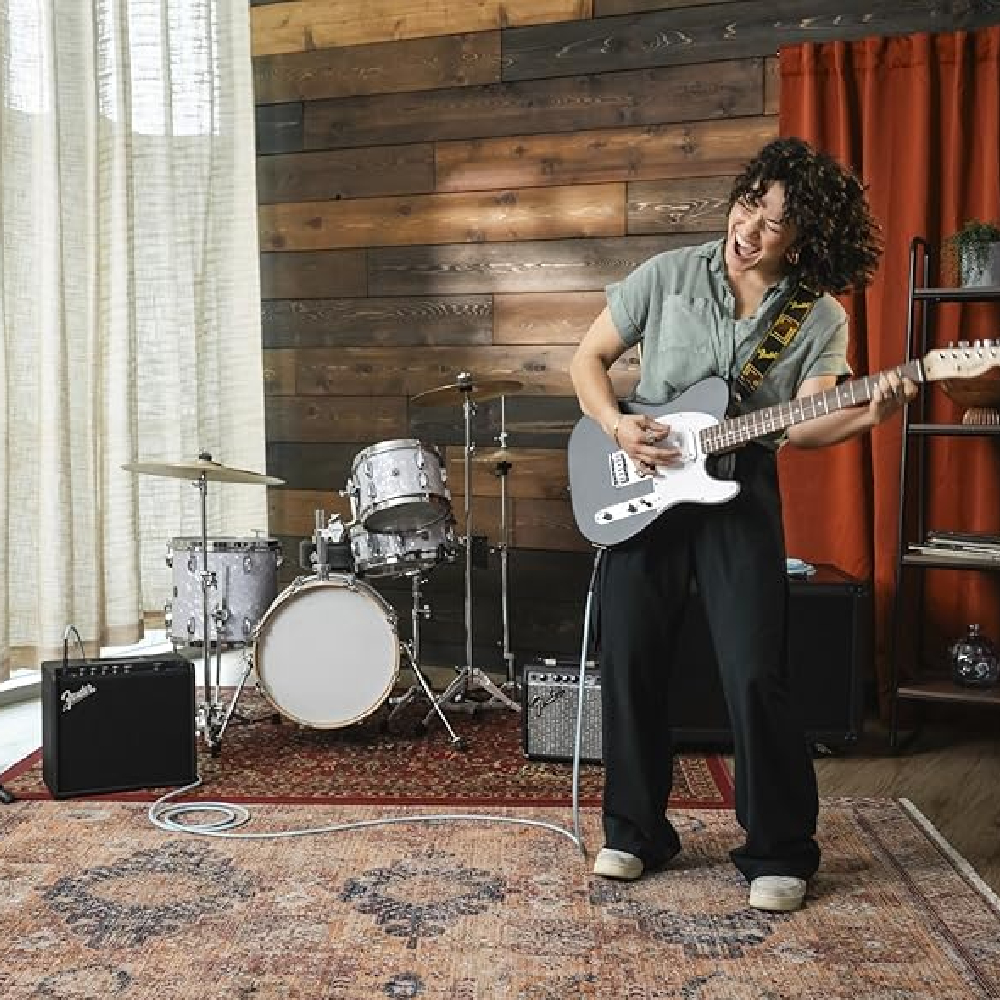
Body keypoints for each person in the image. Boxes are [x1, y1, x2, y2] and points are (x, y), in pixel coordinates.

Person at [569, 136, 916, 912]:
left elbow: (806, 424)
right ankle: (634, 832)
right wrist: (619, 427)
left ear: (804, 236)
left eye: (774, 222)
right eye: (749, 205)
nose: (750, 229)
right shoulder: (668, 274)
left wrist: (870, 414)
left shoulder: (817, 315)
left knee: (756, 669)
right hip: (648, 477)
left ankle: (778, 850)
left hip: (741, 486)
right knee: (629, 659)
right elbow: (587, 360)